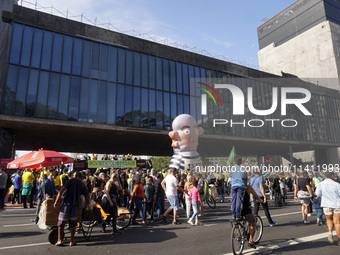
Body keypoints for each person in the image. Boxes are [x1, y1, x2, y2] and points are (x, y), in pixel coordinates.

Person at [54, 172, 90, 246]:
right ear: (80, 177)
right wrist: (86, 204)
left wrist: (56, 202)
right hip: (75, 206)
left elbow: (61, 191)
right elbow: (87, 195)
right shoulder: (82, 184)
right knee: (73, 224)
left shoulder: (70, 181)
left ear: (75, 175)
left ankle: (59, 240)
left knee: (61, 223)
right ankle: (71, 241)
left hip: (66, 205)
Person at [315, 171, 340, 245]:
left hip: (326, 204)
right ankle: (339, 239)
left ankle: (330, 232)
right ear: (332, 176)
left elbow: (318, 194)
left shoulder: (321, 184)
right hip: (336, 204)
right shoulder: (337, 184)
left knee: (329, 219)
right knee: (337, 223)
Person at [241, 184, 264, 249]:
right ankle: (251, 241)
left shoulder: (234, 186)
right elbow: (256, 195)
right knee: (253, 223)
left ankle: (240, 229)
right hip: (245, 210)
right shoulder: (248, 187)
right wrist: (260, 200)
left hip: (235, 210)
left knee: (239, 220)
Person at [230, 155, 248, 220]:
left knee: (233, 200)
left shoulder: (232, 169)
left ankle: (233, 214)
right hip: (241, 186)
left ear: (234, 162)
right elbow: (246, 179)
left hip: (234, 186)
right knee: (239, 201)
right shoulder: (243, 169)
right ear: (241, 162)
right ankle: (238, 215)